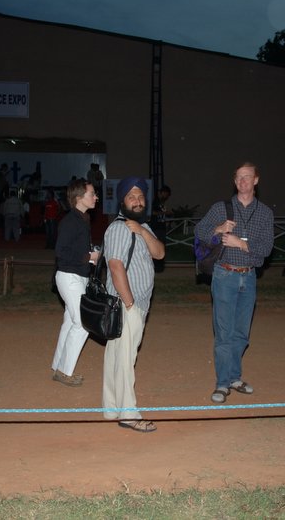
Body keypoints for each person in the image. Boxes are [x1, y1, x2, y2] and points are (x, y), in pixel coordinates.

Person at [194, 163, 274, 404]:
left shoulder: (265, 213)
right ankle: (222, 383)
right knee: (224, 333)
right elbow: (199, 231)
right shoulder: (222, 208)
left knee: (241, 333)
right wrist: (217, 229)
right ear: (235, 181)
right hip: (224, 275)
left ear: (256, 180)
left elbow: (266, 249)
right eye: (239, 177)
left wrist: (241, 243)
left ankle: (234, 377)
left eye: (247, 177)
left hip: (248, 277)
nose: (242, 181)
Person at [102, 177, 164, 432]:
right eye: (131, 197)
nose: (137, 201)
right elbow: (115, 266)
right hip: (126, 303)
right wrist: (129, 304)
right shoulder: (119, 228)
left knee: (117, 355)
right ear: (122, 201)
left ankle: (111, 408)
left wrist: (142, 231)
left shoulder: (141, 227)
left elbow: (159, 253)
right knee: (126, 359)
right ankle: (128, 413)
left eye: (140, 197)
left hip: (133, 303)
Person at [50, 179, 100, 387]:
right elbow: (61, 252)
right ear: (79, 198)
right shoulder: (71, 221)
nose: (96, 197)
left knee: (71, 322)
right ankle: (64, 371)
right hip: (69, 277)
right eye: (92, 194)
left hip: (76, 276)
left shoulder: (82, 219)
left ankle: (58, 366)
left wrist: (89, 257)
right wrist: (88, 257)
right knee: (82, 324)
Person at [151, 184, 173, 272]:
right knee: (157, 247)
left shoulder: (161, 203)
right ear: (162, 192)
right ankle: (156, 267)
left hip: (161, 228)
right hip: (156, 228)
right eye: (166, 194)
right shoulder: (155, 202)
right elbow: (152, 213)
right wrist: (164, 213)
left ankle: (160, 267)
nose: (167, 196)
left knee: (161, 247)